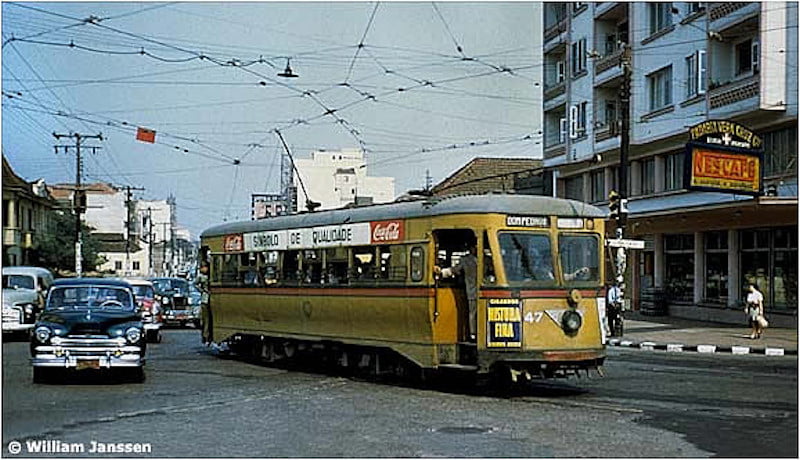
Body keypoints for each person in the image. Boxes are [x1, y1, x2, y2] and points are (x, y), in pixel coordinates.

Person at [434, 243, 478, 342]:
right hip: (472, 291)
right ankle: (473, 334)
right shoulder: (466, 260)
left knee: (474, 313)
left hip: (480, 291)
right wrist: (441, 272)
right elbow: (454, 270)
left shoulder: (484, 259)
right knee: (473, 313)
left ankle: (476, 334)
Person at [196, 264, 212, 345]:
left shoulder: (211, 275)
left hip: (211, 299)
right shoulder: (201, 276)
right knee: (206, 319)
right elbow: (195, 284)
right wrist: (202, 290)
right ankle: (205, 335)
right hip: (205, 299)